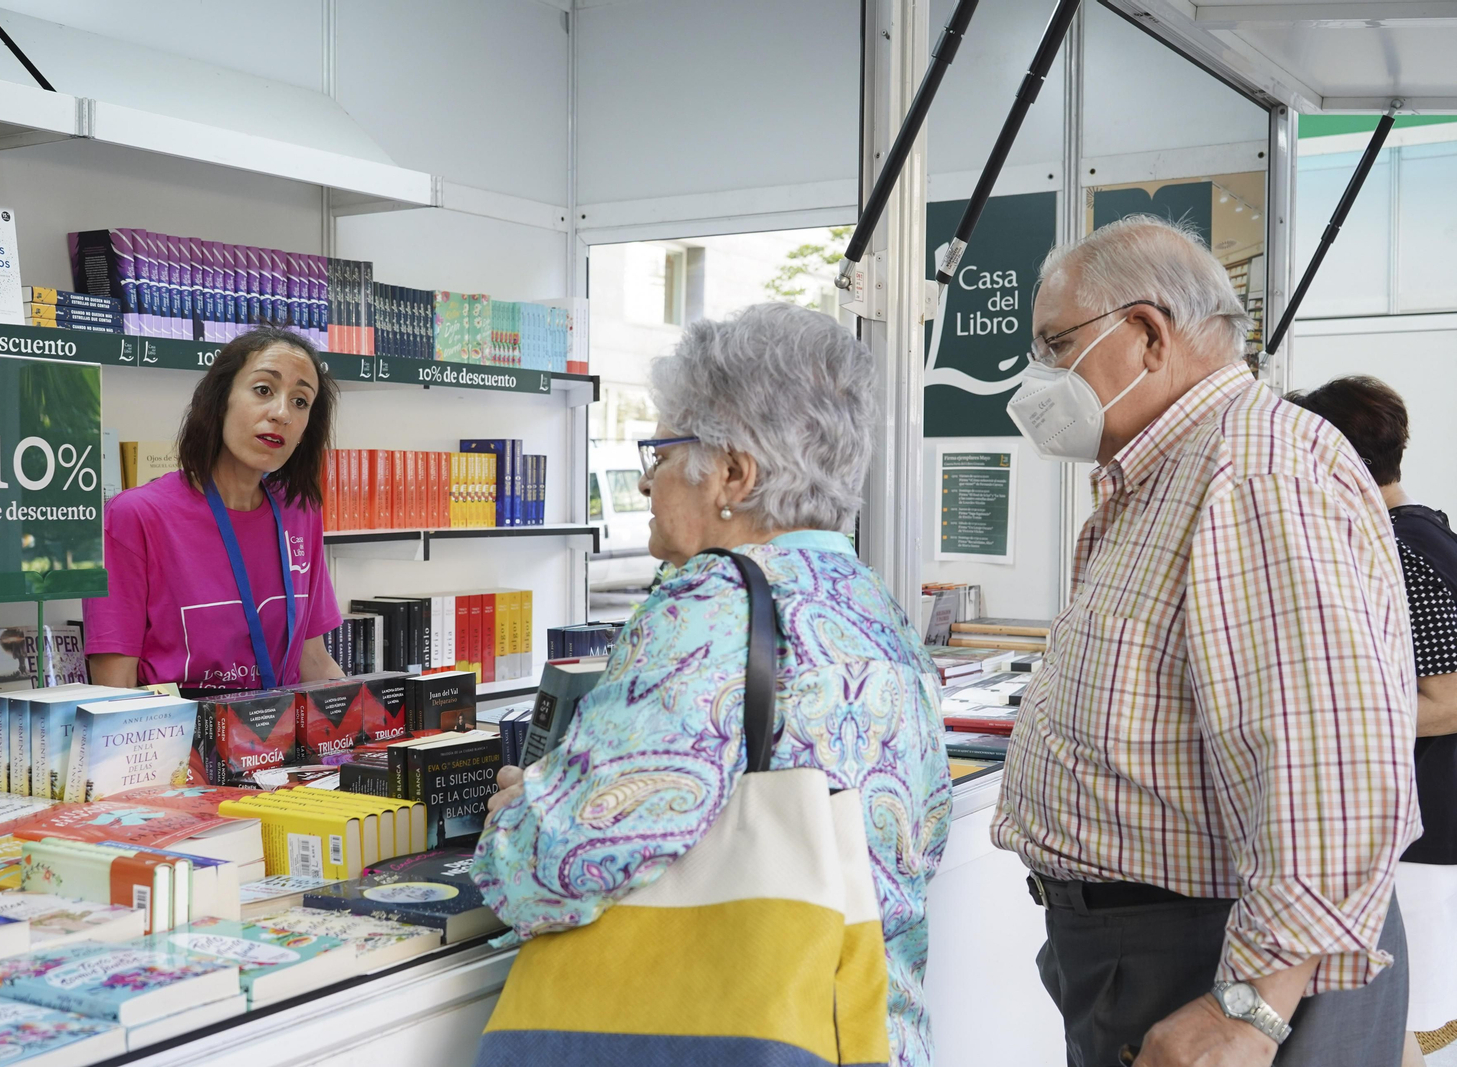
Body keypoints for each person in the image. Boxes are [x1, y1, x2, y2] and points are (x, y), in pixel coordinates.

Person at [472, 302, 954, 1065]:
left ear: (734, 473)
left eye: (660, 451)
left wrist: (516, 813)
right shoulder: (874, 602)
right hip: (864, 1026)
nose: (645, 483)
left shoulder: (710, 607)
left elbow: (565, 860)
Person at [996, 215, 1421, 1067]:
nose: (1039, 377)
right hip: (1162, 949)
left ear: (1148, 333)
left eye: (1054, 345)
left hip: (1215, 963)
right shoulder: (1176, 471)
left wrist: (1247, 1010)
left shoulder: (1254, 469)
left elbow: (1325, 763)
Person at [1286, 376, 1457, 1067]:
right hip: (1428, 836)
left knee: (1413, 1035)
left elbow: (1446, 698)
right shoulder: (1429, 534)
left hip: (1426, 841)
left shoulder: (1403, 551)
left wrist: (1326, 718)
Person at [84, 326, 345, 695]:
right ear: (219, 400)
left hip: (279, 743)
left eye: (301, 401)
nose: (282, 413)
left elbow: (314, 661)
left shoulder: (300, 511)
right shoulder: (135, 516)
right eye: (263, 390)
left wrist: (370, 728)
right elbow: (114, 688)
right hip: (175, 744)